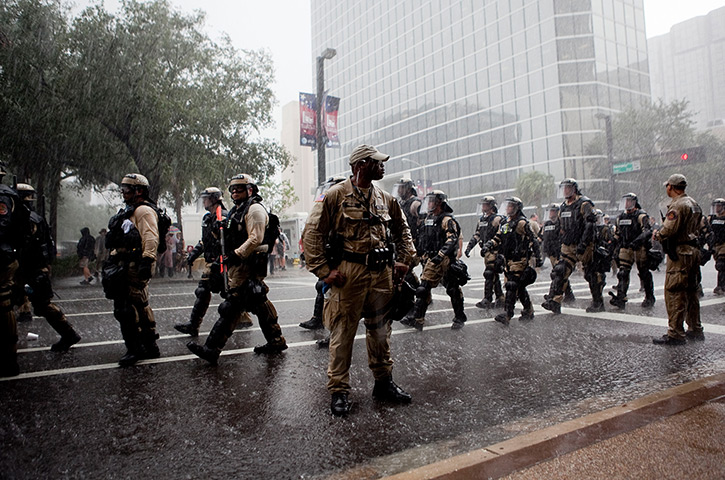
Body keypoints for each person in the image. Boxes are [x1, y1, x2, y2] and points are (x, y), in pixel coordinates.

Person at [303, 144, 416, 416]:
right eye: (377, 162)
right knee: (343, 332)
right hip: (349, 275)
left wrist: (404, 260)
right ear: (360, 165)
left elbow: (403, 231)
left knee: (380, 331)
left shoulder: (386, 199)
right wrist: (322, 270)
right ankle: (339, 390)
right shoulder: (335, 196)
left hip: (381, 274)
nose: (382, 166)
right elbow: (312, 233)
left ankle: (383, 382)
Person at [187, 174, 287, 363]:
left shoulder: (255, 209)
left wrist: (235, 255)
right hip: (238, 264)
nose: (235, 192)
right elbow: (229, 237)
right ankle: (276, 340)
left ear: (250, 190)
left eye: (239, 189)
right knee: (259, 302)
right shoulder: (236, 211)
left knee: (232, 306)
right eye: (232, 189)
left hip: (249, 263)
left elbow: (255, 238)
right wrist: (218, 230)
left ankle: (212, 348)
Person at [175, 187, 253, 336]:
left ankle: (194, 325)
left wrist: (224, 259)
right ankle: (242, 317)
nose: (203, 201)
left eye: (206, 198)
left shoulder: (224, 217)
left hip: (222, 262)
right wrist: (193, 254)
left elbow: (229, 241)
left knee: (210, 290)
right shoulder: (207, 218)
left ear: (214, 199)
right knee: (225, 292)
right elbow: (205, 241)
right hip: (211, 261)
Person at [14, 184, 81, 351]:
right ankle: (68, 333)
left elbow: (26, 246)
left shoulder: (26, 220)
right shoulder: (36, 218)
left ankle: (68, 334)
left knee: (42, 305)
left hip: (28, 269)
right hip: (33, 268)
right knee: (42, 304)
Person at [103, 173, 161, 366]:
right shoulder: (132, 210)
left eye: (127, 188)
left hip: (134, 264)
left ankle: (134, 349)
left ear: (139, 191)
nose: (123, 192)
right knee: (140, 303)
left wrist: (147, 260)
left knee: (125, 308)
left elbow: (151, 237)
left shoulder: (143, 211)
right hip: (128, 262)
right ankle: (149, 345)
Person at [402, 189, 466, 330]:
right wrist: (417, 253)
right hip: (430, 259)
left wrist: (441, 255)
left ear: (439, 203)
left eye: (432, 201)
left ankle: (459, 317)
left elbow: (452, 239)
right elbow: (422, 239)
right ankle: (418, 319)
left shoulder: (447, 220)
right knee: (424, 288)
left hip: (444, 261)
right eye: (428, 201)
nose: (428, 203)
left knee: (452, 289)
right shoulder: (427, 219)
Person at [652, 174, 704, 344]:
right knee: (691, 291)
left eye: (667, 186)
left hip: (680, 253)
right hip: (693, 251)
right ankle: (695, 328)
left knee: (674, 292)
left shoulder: (677, 206)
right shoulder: (693, 203)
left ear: (671, 187)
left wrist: (657, 234)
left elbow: (668, 230)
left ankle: (675, 333)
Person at [542, 178, 603, 314]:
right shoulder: (563, 206)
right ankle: (555, 301)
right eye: (563, 188)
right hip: (568, 245)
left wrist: (584, 243)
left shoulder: (584, 204)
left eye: (568, 188)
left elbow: (590, 224)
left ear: (574, 189)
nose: (565, 191)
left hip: (584, 244)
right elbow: (559, 225)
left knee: (590, 273)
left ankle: (598, 302)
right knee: (560, 271)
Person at [482, 197, 542, 325]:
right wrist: (489, 245)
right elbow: (498, 237)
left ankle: (508, 313)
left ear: (516, 208)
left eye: (511, 206)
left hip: (519, 260)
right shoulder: (505, 223)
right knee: (519, 287)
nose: (508, 208)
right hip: (508, 260)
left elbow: (533, 240)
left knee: (511, 285)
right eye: (507, 206)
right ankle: (528, 310)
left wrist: (538, 257)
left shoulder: (522, 223)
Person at [299, 176, 347, 332]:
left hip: (347, 257)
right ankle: (320, 320)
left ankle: (336, 331)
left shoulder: (348, 207)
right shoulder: (329, 208)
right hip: (333, 253)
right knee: (324, 286)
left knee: (340, 294)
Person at [0, 168, 30, 377]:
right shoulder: (9, 195)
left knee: (3, 303)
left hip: (1, 256)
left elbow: (2, 227)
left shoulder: (3, 196)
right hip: (7, 254)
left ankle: (9, 358)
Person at [609, 193, 655, 309]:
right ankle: (621, 297)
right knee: (623, 273)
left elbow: (647, 231)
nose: (627, 204)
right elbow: (617, 234)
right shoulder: (620, 217)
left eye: (629, 201)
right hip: (625, 248)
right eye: (625, 201)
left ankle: (649, 297)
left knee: (644, 273)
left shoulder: (640, 215)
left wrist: (637, 241)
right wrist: (611, 245)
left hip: (639, 248)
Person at [464, 196, 505, 309]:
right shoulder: (482, 220)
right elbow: (477, 235)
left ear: (491, 206)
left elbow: (501, 235)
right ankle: (500, 297)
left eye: (485, 204)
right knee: (493, 275)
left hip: (495, 251)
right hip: (486, 253)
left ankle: (487, 298)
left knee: (489, 273)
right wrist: (469, 247)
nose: (483, 207)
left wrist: (490, 244)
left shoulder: (497, 219)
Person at [707, 198, 725, 295]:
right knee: (719, 265)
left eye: (719, 206)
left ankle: (721, 285)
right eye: (716, 206)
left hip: (724, 244)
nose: (717, 208)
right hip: (716, 244)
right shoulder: (712, 219)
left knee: (721, 265)